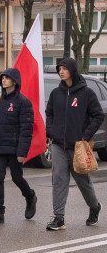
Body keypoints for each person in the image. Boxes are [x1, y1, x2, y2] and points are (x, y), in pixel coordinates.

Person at [45, 57, 103, 231]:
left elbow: (98, 115)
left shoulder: (86, 93)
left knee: (82, 181)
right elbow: (49, 114)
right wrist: (51, 131)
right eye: (59, 68)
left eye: (64, 68)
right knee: (59, 179)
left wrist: (85, 136)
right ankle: (59, 218)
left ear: (72, 70)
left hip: (78, 146)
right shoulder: (56, 93)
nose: (61, 71)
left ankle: (94, 206)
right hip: (58, 145)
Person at [0, 68, 38, 224]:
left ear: (14, 81)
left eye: (7, 78)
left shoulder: (23, 102)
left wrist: (22, 152)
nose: (3, 80)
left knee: (16, 177)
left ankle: (30, 196)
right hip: (0, 144)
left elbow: (26, 129)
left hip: (15, 147)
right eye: (2, 78)